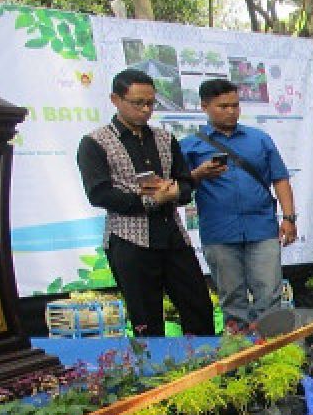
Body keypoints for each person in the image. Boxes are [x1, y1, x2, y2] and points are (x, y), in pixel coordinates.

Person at [76, 69, 213, 337]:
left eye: (151, 103)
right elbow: (99, 194)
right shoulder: (95, 142)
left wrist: (176, 191)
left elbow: (185, 183)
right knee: (146, 320)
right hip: (129, 241)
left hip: (173, 238)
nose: (146, 109)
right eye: (138, 103)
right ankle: (158, 376)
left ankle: (205, 370)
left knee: (200, 308)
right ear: (115, 100)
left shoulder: (164, 138)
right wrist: (149, 201)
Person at [181, 78, 296, 332]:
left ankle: (275, 353)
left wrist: (289, 218)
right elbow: (178, 187)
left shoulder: (259, 139)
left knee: (269, 294)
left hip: (262, 227)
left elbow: (280, 179)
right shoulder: (189, 145)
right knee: (232, 300)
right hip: (219, 231)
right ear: (204, 106)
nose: (231, 111)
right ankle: (241, 357)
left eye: (235, 105)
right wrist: (198, 173)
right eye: (223, 106)